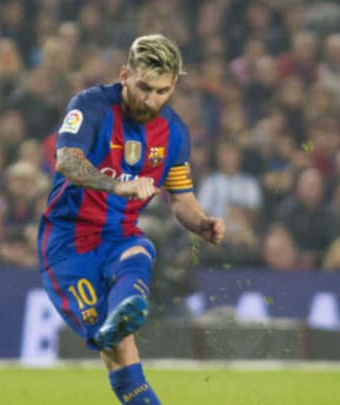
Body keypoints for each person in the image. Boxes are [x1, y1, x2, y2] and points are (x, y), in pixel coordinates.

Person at [37, 34, 225, 405]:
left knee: (141, 249)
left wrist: (201, 221)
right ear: (125, 75)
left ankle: (124, 308)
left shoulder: (173, 133)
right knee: (119, 352)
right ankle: (118, 318)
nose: (150, 100)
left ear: (173, 87)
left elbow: (181, 199)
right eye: (143, 87)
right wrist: (116, 186)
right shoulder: (90, 106)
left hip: (120, 237)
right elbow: (67, 161)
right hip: (68, 245)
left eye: (161, 91)